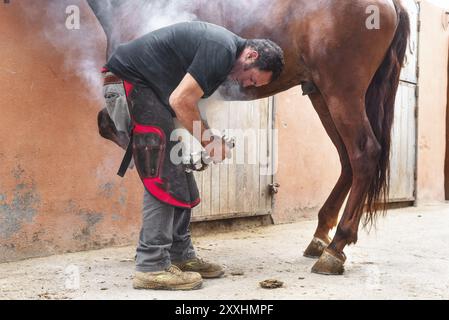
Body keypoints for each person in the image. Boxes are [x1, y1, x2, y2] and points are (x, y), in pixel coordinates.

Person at [101, 21, 284, 290]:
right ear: (251, 56)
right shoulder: (221, 48)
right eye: (252, 79)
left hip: (151, 91)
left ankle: (181, 256)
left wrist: (207, 140)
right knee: (162, 171)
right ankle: (151, 266)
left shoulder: (223, 57)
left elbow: (189, 102)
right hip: (129, 83)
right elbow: (180, 101)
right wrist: (209, 141)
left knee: (179, 168)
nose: (247, 84)